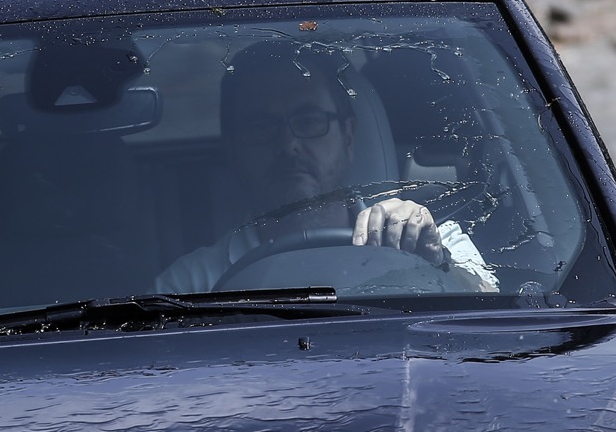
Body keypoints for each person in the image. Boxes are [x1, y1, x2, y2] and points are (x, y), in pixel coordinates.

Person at [153, 42, 498, 294]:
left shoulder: (434, 238)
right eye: (261, 127)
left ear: (349, 136)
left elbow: (493, 326)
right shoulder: (189, 285)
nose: (288, 144)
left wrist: (437, 263)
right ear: (232, 148)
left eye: (309, 120)